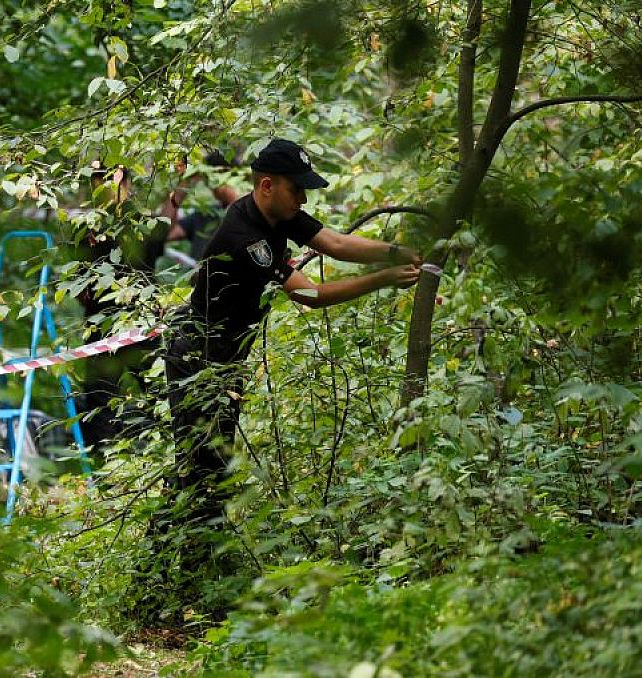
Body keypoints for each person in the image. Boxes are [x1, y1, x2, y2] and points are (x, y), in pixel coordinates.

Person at [163, 138, 422, 538]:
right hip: (199, 360)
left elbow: (334, 243)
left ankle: (195, 557)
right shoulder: (247, 239)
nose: (302, 198)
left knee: (212, 468)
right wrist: (384, 279)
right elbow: (310, 296)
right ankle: (180, 566)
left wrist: (397, 251)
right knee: (202, 473)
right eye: (295, 189)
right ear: (267, 185)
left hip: (224, 361)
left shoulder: (277, 214)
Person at [72, 162, 168, 449]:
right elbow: (78, 281)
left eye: (102, 179)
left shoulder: (134, 220)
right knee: (102, 398)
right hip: (107, 322)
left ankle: (166, 455)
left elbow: (152, 253)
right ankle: (108, 468)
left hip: (137, 320)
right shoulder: (89, 226)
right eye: (94, 181)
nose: (98, 187)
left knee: (157, 391)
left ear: (119, 179)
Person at [161, 149, 241, 261]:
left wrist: (230, 194)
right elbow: (163, 230)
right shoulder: (205, 215)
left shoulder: (250, 212)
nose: (211, 187)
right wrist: (183, 186)